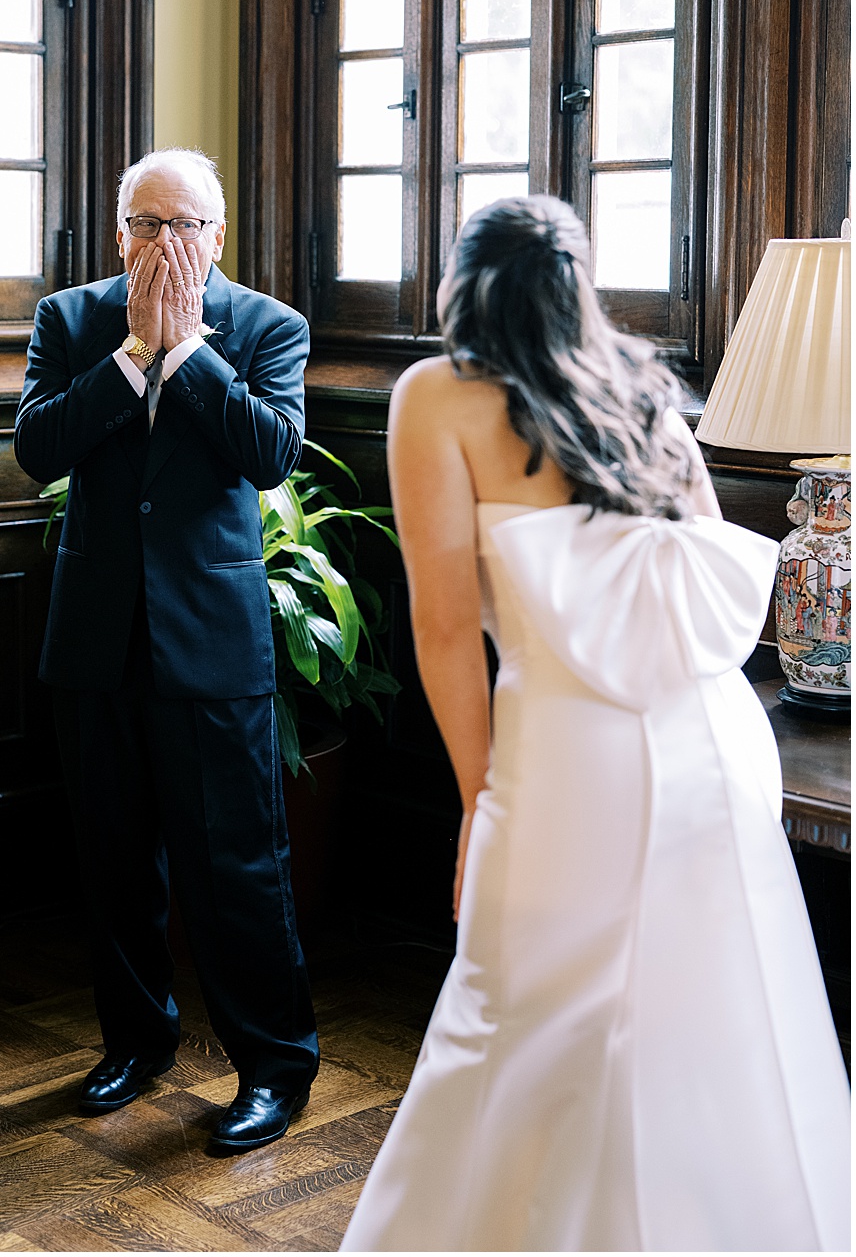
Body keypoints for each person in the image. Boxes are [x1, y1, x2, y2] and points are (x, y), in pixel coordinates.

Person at [342, 196, 849, 1251]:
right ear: (578, 286)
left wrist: (480, 803)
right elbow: (706, 572)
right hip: (710, 741)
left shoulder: (436, 394)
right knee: (709, 1030)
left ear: (462, 286)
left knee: (519, 1016)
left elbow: (444, 630)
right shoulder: (647, 395)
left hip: (572, 754)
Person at [14, 148, 319, 1155]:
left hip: (211, 642)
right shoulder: (69, 320)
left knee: (238, 865)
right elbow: (38, 449)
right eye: (147, 224)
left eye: (185, 226)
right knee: (113, 860)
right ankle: (137, 1043)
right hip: (95, 639)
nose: (165, 243)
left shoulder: (271, 327)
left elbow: (270, 452)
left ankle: (275, 1066)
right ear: (118, 232)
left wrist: (187, 352)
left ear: (217, 236)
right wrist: (133, 355)